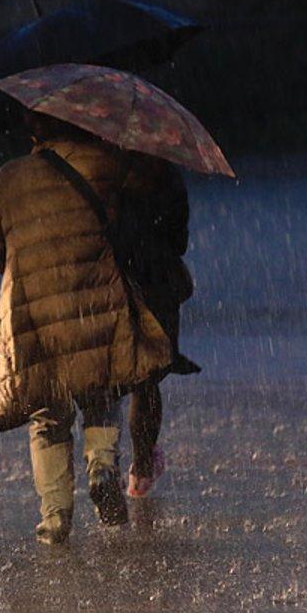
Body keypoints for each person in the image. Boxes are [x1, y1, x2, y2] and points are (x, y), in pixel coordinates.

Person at [0, 111, 174, 544]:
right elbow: (142, 207)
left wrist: (27, 263)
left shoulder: (9, 177)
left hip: (32, 307)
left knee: (46, 412)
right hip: (93, 297)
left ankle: (55, 518)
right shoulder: (105, 163)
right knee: (99, 389)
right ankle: (102, 467)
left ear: (33, 130)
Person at [118, 155, 196, 498]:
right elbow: (179, 242)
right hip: (158, 284)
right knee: (146, 381)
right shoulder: (165, 175)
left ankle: (101, 466)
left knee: (109, 376)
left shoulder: (106, 168)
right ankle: (142, 467)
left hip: (115, 279)